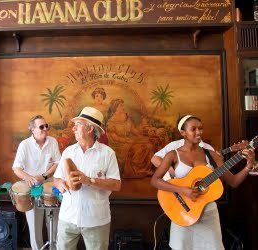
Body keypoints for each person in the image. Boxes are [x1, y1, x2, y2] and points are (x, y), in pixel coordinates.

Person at [150, 115, 255, 250]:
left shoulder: (212, 155)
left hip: (208, 215)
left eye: (200, 128)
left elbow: (233, 182)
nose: (198, 132)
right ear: (183, 133)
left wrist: (248, 166)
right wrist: (183, 190)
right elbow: (155, 180)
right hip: (182, 212)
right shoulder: (173, 154)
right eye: (193, 129)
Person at [54, 107, 121, 250]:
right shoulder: (68, 151)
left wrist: (89, 181)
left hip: (96, 220)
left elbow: (116, 185)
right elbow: (57, 179)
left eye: (77, 125)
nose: (73, 129)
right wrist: (62, 185)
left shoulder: (108, 153)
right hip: (68, 217)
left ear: (89, 129)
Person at [12, 115, 61, 250]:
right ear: (32, 129)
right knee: (34, 229)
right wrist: (28, 177)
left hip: (51, 189)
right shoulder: (24, 145)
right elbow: (16, 168)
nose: (45, 128)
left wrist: (44, 176)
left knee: (54, 227)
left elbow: (58, 162)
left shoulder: (53, 142)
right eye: (41, 127)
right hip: (32, 189)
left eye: (46, 126)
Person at [107, 98, 154, 177]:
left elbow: (133, 130)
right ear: (116, 108)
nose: (123, 107)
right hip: (119, 145)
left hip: (129, 141)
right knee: (139, 148)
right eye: (121, 106)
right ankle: (135, 171)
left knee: (148, 144)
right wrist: (127, 140)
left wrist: (141, 137)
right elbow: (115, 138)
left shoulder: (126, 117)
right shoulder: (111, 122)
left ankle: (144, 170)